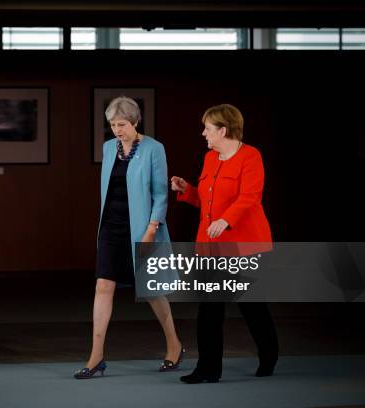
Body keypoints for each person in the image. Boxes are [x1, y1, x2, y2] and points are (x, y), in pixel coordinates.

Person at [74, 96, 183, 379]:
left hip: (143, 228)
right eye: (112, 124)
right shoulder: (109, 148)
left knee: (152, 290)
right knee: (102, 287)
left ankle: (174, 344)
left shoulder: (153, 149)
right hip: (110, 227)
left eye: (122, 124)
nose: (117, 130)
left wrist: (150, 230)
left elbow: (161, 194)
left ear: (135, 121)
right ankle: (96, 356)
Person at [171, 104, 278, 384]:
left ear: (223, 130)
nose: (203, 133)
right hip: (211, 246)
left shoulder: (250, 156)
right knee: (209, 308)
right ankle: (208, 369)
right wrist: (187, 191)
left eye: (207, 128)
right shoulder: (210, 158)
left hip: (243, 245)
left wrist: (225, 220)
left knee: (252, 306)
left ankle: (269, 354)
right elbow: (206, 203)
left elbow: (250, 197)